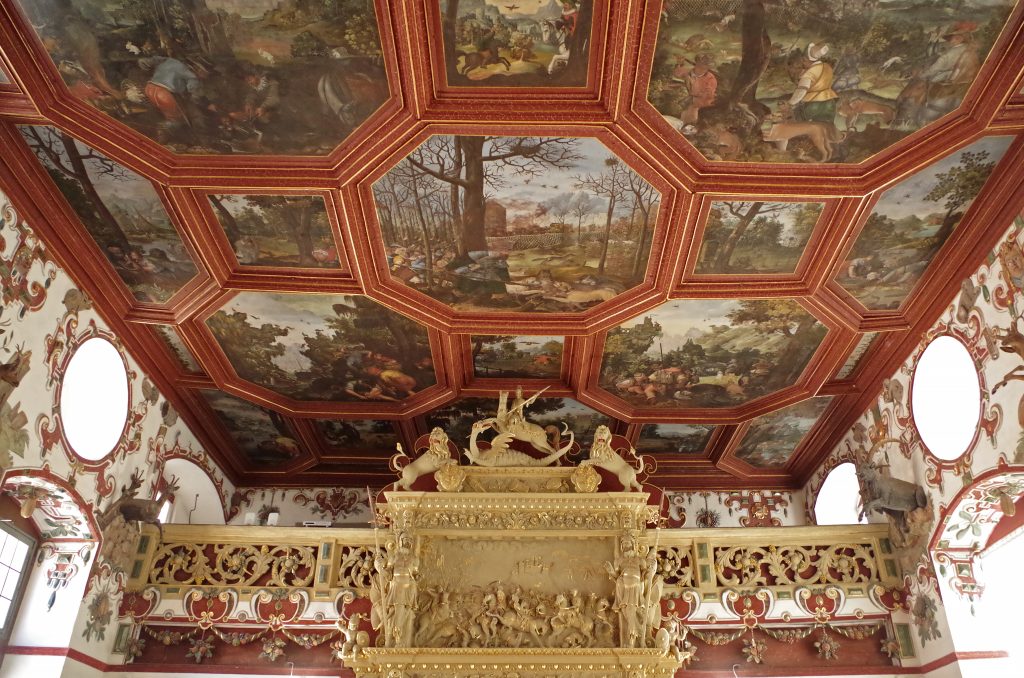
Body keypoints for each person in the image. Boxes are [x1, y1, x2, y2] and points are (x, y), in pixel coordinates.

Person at [142, 56, 213, 142]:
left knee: (159, 113)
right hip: (164, 94)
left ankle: (153, 136)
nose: (205, 77)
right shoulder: (192, 76)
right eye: (205, 74)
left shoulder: (171, 60)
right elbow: (194, 93)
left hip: (149, 88)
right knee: (176, 120)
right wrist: (198, 100)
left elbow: (153, 60)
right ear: (199, 69)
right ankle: (159, 139)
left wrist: (147, 62)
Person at [921, 22, 980, 92]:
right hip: (969, 79)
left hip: (951, 79)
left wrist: (923, 75)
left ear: (959, 39)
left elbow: (937, 67)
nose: (950, 41)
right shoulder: (967, 49)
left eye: (951, 38)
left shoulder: (949, 54)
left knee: (929, 82)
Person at [788, 43, 838, 124]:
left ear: (805, 59)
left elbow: (802, 90)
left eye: (803, 61)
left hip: (814, 104)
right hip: (830, 104)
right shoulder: (827, 67)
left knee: (797, 124)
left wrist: (790, 103)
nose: (803, 64)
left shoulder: (810, 72)